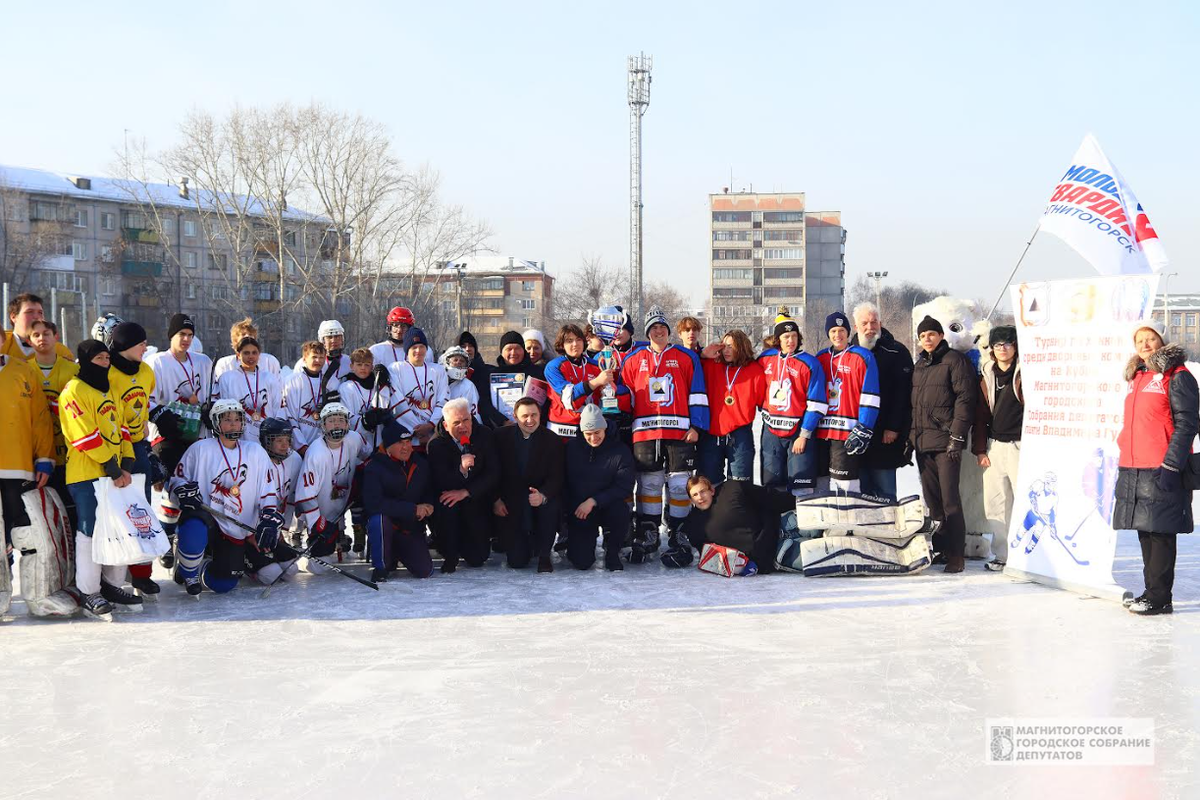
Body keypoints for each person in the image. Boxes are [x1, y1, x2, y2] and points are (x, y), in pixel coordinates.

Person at [1113, 320, 1197, 616]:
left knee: (1161, 533)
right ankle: (1151, 592)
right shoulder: (1138, 375)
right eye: (1140, 340)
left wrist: (1172, 464)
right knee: (1145, 532)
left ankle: (1160, 598)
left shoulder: (1178, 376)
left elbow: (1187, 424)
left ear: (1163, 341)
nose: (1145, 344)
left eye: (1151, 338)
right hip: (1135, 465)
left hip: (1163, 465)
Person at [620, 306, 708, 565]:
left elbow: (698, 392)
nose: (658, 331)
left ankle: (678, 531)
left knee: (680, 485)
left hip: (680, 431)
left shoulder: (685, 357)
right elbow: (627, 396)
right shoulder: (633, 359)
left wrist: (697, 426)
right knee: (649, 483)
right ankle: (648, 531)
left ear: (669, 332)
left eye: (662, 327)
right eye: (653, 328)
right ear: (647, 333)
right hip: (645, 432)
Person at [58, 339, 138, 618]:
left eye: (107, 357)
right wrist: (113, 468)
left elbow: (123, 428)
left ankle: (112, 584)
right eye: (98, 358)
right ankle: (89, 591)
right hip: (85, 474)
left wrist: (127, 462)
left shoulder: (111, 388)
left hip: (114, 474)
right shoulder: (74, 390)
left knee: (118, 528)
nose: (104, 362)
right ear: (85, 361)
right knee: (89, 530)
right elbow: (85, 435)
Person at [168, 399, 282, 595]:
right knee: (194, 523)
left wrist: (268, 518)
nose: (233, 424)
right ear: (215, 422)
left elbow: (268, 491)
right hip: (208, 519)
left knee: (223, 584)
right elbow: (177, 480)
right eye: (227, 419)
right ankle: (188, 570)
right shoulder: (200, 448)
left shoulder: (255, 451)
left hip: (237, 527)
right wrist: (183, 491)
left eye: (237, 420)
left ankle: (206, 565)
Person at [910, 315, 977, 573]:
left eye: (931, 334)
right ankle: (939, 548)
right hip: (923, 443)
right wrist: (911, 438)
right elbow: (914, 406)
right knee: (933, 501)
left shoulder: (954, 361)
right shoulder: (920, 365)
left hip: (946, 442)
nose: (927, 339)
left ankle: (956, 554)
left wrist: (957, 437)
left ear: (940, 336)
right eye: (923, 335)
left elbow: (965, 400)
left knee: (950, 501)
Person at [147, 313, 213, 563]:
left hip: (196, 434)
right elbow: (148, 399)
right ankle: (166, 538)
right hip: (168, 435)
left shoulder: (204, 362)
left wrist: (209, 410)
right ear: (171, 336)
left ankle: (192, 542)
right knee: (174, 487)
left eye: (189, 335)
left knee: (196, 489)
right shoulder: (157, 362)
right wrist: (162, 415)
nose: (185, 339)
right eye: (181, 335)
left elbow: (210, 393)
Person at [105, 322, 162, 596]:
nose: (145, 347)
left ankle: (141, 574)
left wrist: (149, 447)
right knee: (115, 511)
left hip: (138, 445)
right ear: (126, 344)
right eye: (141, 343)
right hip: (112, 448)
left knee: (143, 509)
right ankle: (112, 577)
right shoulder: (108, 372)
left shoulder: (146, 370)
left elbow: (145, 408)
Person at [758, 311, 827, 497]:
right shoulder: (765, 360)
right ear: (778, 339)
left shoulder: (810, 363)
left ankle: (801, 526)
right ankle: (777, 526)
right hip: (771, 431)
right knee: (772, 485)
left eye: (794, 336)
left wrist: (804, 435)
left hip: (798, 432)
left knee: (801, 485)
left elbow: (817, 403)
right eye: (786, 337)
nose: (791, 340)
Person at [971, 325, 1023, 572]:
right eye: (998, 344)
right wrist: (980, 450)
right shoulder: (987, 374)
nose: (1002, 349)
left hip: (1020, 445)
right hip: (995, 446)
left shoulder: (1025, 373)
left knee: (1022, 500)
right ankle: (1002, 555)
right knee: (996, 503)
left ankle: (1026, 555)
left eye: (1008, 344)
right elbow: (980, 416)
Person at [492, 397, 564, 572]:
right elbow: (492, 472)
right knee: (517, 561)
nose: (530, 420)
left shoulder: (552, 440)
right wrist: (496, 499)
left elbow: (557, 476)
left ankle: (544, 554)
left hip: (539, 499)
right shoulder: (500, 437)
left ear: (540, 415)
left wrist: (543, 495)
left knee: (551, 505)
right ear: (515, 416)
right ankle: (525, 543)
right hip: (513, 501)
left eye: (534, 415)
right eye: (525, 416)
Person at [427, 397, 499, 572]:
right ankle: (449, 553)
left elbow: (493, 472)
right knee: (447, 503)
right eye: (456, 422)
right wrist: (461, 470)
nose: (463, 426)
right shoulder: (436, 444)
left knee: (478, 558)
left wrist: (467, 491)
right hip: (449, 500)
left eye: (466, 420)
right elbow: (439, 480)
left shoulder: (485, 435)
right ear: (445, 425)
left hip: (476, 497)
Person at [850, 302, 913, 501]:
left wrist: (894, 427)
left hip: (885, 434)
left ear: (880, 323)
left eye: (874, 322)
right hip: (856, 434)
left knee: (885, 493)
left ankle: (888, 530)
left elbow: (903, 393)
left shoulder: (896, 351)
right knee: (861, 494)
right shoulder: (848, 352)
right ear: (855, 326)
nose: (870, 327)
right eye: (865, 323)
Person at [294, 402, 368, 571]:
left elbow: (369, 456)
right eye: (331, 420)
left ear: (347, 423)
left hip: (345, 502)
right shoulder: (316, 453)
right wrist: (318, 523)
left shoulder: (354, 439)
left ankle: (355, 533)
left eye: (341, 420)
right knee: (319, 568)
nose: (336, 424)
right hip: (323, 517)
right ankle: (320, 541)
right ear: (323, 425)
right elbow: (304, 498)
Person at [564, 404, 635, 571]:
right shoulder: (571, 448)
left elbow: (625, 486)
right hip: (580, 510)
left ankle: (613, 550)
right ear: (582, 432)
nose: (593, 437)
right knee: (582, 562)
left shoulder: (620, 450)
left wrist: (594, 500)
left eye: (597, 432)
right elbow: (563, 481)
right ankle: (578, 541)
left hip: (607, 506)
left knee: (621, 510)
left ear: (604, 429)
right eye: (588, 434)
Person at [815, 311, 881, 492]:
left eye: (842, 330)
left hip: (847, 433)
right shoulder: (820, 358)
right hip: (821, 432)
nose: (838, 335)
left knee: (845, 487)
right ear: (828, 333)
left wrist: (864, 427)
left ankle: (848, 518)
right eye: (834, 331)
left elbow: (871, 395)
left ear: (848, 332)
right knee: (820, 484)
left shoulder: (863, 356)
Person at [362, 421, 434, 582]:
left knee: (425, 571)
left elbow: (429, 490)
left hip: (410, 528)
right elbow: (374, 504)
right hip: (387, 527)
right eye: (400, 443)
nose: (406, 447)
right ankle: (381, 566)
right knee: (378, 519)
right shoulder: (374, 467)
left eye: (408, 442)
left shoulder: (420, 463)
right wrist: (412, 509)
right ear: (387, 446)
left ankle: (398, 553)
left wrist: (429, 504)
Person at [682, 475, 795, 575]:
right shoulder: (694, 528)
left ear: (711, 490)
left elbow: (769, 497)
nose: (700, 497)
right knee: (811, 555)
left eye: (702, 491)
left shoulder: (732, 488)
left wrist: (797, 502)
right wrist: (741, 566)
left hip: (785, 523)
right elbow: (711, 557)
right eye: (695, 495)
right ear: (691, 500)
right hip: (778, 553)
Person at [28, 319, 80, 529]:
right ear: (29, 341)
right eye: (36, 335)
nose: (42, 338)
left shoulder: (73, 370)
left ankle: (76, 561)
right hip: (37, 456)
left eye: (46, 333)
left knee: (72, 514)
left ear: (56, 337)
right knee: (43, 518)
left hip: (69, 456)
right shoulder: (24, 370)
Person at [698, 329, 766, 485]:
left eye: (732, 346)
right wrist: (702, 355)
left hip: (740, 434)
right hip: (712, 434)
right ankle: (711, 511)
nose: (727, 350)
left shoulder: (755, 371)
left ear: (742, 347)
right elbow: (689, 366)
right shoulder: (711, 365)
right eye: (725, 346)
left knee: (739, 486)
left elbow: (763, 401)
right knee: (709, 483)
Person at [214, 335, 282, 447]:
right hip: (239, 437)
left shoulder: (269, 378)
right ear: (238, 355)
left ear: (259, 355)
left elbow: (276, 406)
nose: (251, 356)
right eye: (246, 353)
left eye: (254, 353)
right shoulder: (227, 378)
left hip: (264, 435)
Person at [543, 324, 610, 438]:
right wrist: (596, 382)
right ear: (562, 345)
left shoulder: (596, 365)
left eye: (578, 339)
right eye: (569, 341)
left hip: (591, 431)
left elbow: (603, 398)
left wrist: (608, 390)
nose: (575, 344)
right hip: (562, 430)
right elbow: (569, 400)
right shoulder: (553, 367)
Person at [259, 417, 303, 584]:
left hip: (275, 528)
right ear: (266, 442)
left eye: (287, 440)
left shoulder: (295, 460)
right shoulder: (257, 461)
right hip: (255, 529)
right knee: (270, 575)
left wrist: (281, 531)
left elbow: (290, 499)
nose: (285, 445)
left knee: (291, 569)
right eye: (279, 441)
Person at [392, 327, 448, 449]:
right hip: (407, 436)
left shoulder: (438, 370)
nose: (418, 350)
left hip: (433, 435)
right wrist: (417, 430)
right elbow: (397, 402)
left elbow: (443, 400)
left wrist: (430, 425)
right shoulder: (396, 369)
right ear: (407, 350)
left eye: (422, 346)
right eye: (414, 347)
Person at [283, 340, 341, 455]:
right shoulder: (293, 381)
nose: (318, 361)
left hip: (325, 445)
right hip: (299, 445)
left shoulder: (331, 382)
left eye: (321, 357)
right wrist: (301, 446)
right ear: (304, 358)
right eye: (314, 357)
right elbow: (290, 416)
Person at [3, 292, 74, 362]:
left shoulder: (59, 351)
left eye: (40, 313)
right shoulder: (3, 342)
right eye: (29, 312)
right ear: (13, 316)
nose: (36, 317)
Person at [213, 317, 282, 381]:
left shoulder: (269, 361)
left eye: (250, 334)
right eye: (243, 334)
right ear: (235, 340)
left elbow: (278, 388)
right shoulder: (225, 364)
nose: (247, 336)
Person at [441, 346, 482, 423]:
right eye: (455, 360)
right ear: (447, 362)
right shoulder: (439, 382)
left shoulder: (468, 386)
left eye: (462, 361)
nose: (459, 362)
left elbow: (473, 415)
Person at [370, 306, 417, 370]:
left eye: (403, 326)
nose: (399, 330)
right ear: (389, 328)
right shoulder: (375, 350)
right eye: (395, 325)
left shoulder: (420, 351)